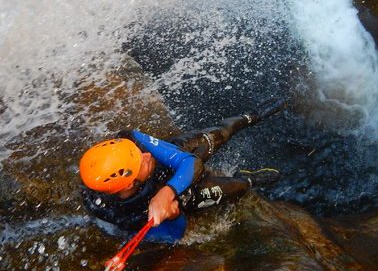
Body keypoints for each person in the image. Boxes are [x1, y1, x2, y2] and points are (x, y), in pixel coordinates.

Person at [79, 99, 286, 242]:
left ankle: (250, 116)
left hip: (173, 159)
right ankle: (249, 179)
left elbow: (191, 162)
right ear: (130, 184)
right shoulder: (131, 216)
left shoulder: (128, 139)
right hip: (187, 197)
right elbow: (173, 236)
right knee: (237, 188)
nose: (146, 155)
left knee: (220, 132)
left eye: (137, 152)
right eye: (140, 162)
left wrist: (166, 192)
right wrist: (173, 215)